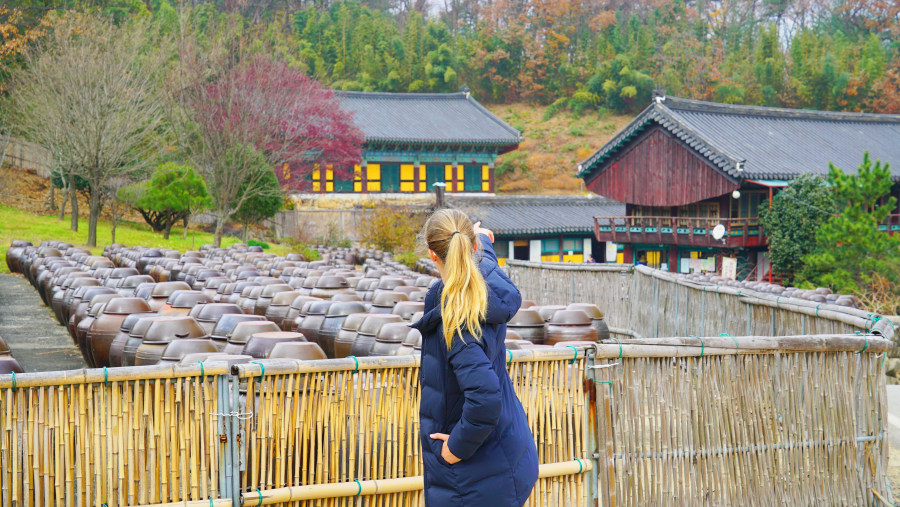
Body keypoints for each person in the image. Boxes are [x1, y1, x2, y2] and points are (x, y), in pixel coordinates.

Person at [410, 209, 539, 506]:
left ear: (432, 255)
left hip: (474, 479)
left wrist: (455, 447)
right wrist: (484, 240)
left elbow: (485, 399)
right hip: (505, 457)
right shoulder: (488, 291)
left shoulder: (457, 317)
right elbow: (487, 265)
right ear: (474, 248)